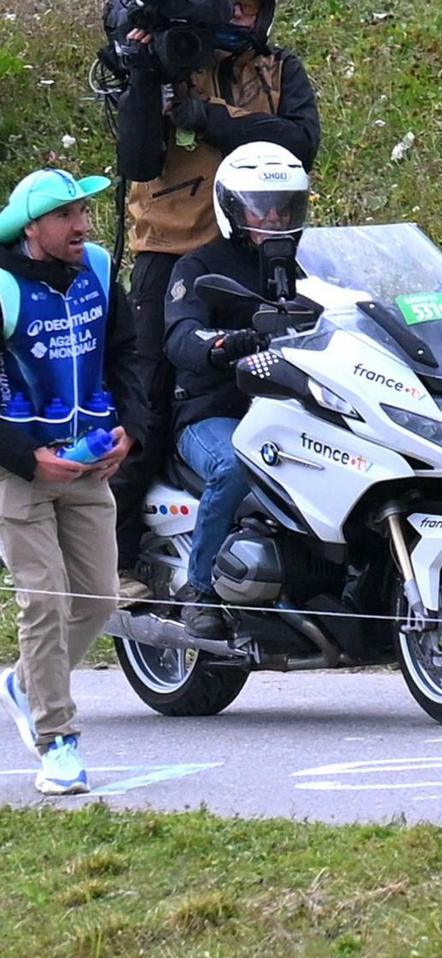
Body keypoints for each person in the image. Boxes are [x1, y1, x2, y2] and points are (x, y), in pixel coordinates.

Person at [114, 0, 318, 596]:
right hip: (171, 247)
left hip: (261, 246)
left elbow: (300, 142)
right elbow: (137, 158)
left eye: (253, 8)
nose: (242, 17)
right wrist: (145, 72)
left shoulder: (279, 70)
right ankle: (121, 559)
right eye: (231, 5)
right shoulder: (167, 57)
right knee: (147, 396)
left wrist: (206, 117)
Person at [0, 169, 146, 796]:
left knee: (99, 600)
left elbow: (129, 353)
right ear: (31, 227)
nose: (81, 226)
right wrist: (29, 461)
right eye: (65, 216)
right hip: (18, 470)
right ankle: (58, 741)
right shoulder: (4, 287)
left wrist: (131, 429)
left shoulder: (98, 270)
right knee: (44, 601)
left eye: (84, 212)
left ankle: (27, 682)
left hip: (89, 462)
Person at [164, 142, 308, 638]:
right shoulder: (198, 268)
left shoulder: (306, 268)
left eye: (284, 206)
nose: (273, 217)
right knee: (236, 463)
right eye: (259, 206)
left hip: (293, 407)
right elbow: (180, 335)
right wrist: (221, 343)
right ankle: (199, 591)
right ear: (230, 207)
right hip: (213, 412)